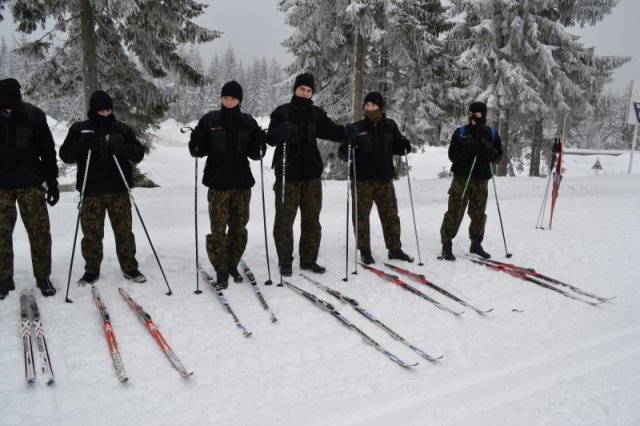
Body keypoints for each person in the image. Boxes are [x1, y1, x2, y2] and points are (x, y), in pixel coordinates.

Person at [59, 89, 147, 284]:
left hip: (119, 190)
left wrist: (120, 149)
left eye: (108, 110)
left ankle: (130, 268)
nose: (106, 114)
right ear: (93, 110)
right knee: (91, 233)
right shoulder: (79, 129)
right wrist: (82, 145)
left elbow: (138, 154)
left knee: (124, 231)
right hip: (91, 191)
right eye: (101, 111)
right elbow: (65, 155)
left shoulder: (123, 129)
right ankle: (91, 270)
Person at [189, 81, 266, 289]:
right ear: (221, 98)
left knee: (239, 228)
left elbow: (256, 154)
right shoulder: (209, 120)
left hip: (241, 184)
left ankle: (232, 263)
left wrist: (260, 142)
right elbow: (198, 150)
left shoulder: (248, 122)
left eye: (233, 98)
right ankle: (220, 269)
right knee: (218, 229)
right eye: (226, 97)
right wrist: (195, 141)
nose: (229, 101)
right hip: (218, 184)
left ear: (239, 100)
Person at [267, 73, 346, 276]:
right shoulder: (282, 113)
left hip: (311, 176)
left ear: (312, 93)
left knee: (312, 220)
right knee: (285, 220)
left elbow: (333, 131)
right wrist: (279, 133)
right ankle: (285, 261)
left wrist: (349, 133)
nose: (305, 93)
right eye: (302, 89)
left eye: (309, 90)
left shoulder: (316, 114)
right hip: (287, 176)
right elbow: (270, 139)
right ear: (295, 89)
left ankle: (308, 260)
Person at [0, 78, 59, 299]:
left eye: (12, 104)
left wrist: (52, 182)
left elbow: (48, 150)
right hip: (1, 188)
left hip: (31, 185)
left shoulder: (33, 115)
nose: (9, 109)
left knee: (40, 233)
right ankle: (4, 278)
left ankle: (43, 276)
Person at [340, 92, 414, 265]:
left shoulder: (390, 125)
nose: (370, 108)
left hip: (384, 179)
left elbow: (397, 146)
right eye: (367, 105)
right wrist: (350, 145)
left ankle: (394, 249)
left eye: (373, 105)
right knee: (361, 217)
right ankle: (365, 250)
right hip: (362, 180)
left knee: (391, 215)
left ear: (380, 107)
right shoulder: (357, 127)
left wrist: (404, 146)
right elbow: (343, 154)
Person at [439, 101, 503, 261]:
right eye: (470, 113)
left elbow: (498, 158)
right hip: (462, 178)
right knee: (455, 211)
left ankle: (476, 243)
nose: (473, 117)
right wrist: (469, 150)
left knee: (479, 214)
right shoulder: (460, 132)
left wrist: (490, 150)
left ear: (484, 115)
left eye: (477, 114)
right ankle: (447, 242)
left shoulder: (492, 133)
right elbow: (452, 156)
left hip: (481, 180)